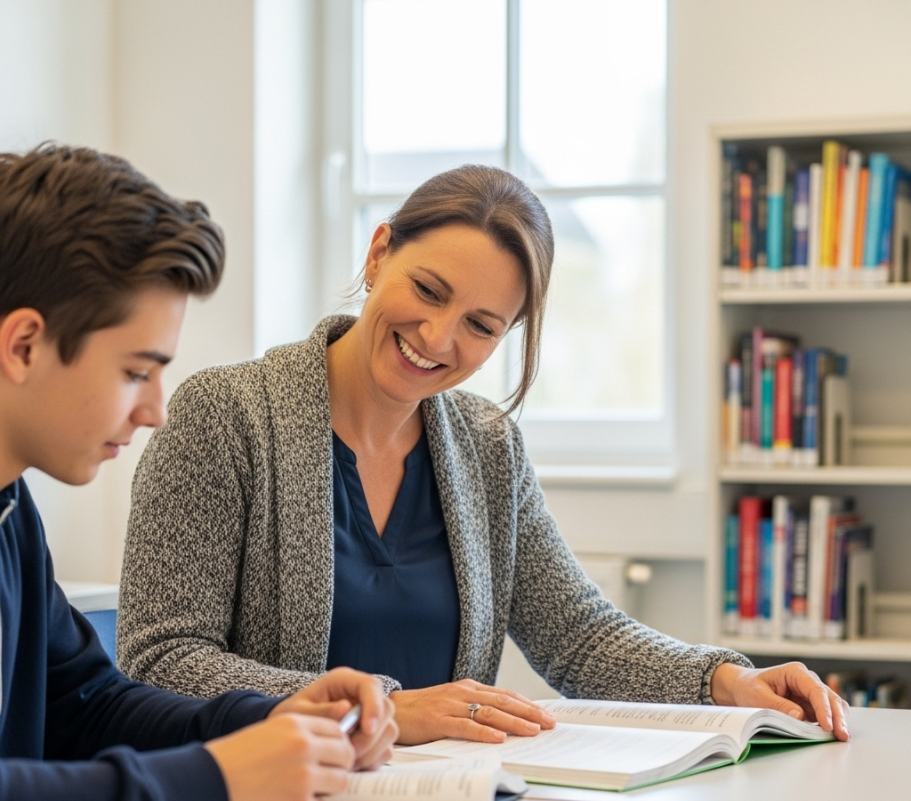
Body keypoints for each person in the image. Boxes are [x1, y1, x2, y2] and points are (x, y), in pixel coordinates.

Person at [118, 164, 849, 746]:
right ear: (379, 253)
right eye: (428, 290)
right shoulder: (224, 417)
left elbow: (577, 635)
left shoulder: (488, 446)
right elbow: (161, 661)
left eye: (480, 325)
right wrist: (387, 710)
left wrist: (722, 678)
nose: (437, 338)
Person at [0, 144, 397, 801]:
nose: (154, 410)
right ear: (24, 343)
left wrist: (269, 718)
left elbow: (85, 703)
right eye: (134, 371)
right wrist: (211, 784)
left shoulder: (10, 511)